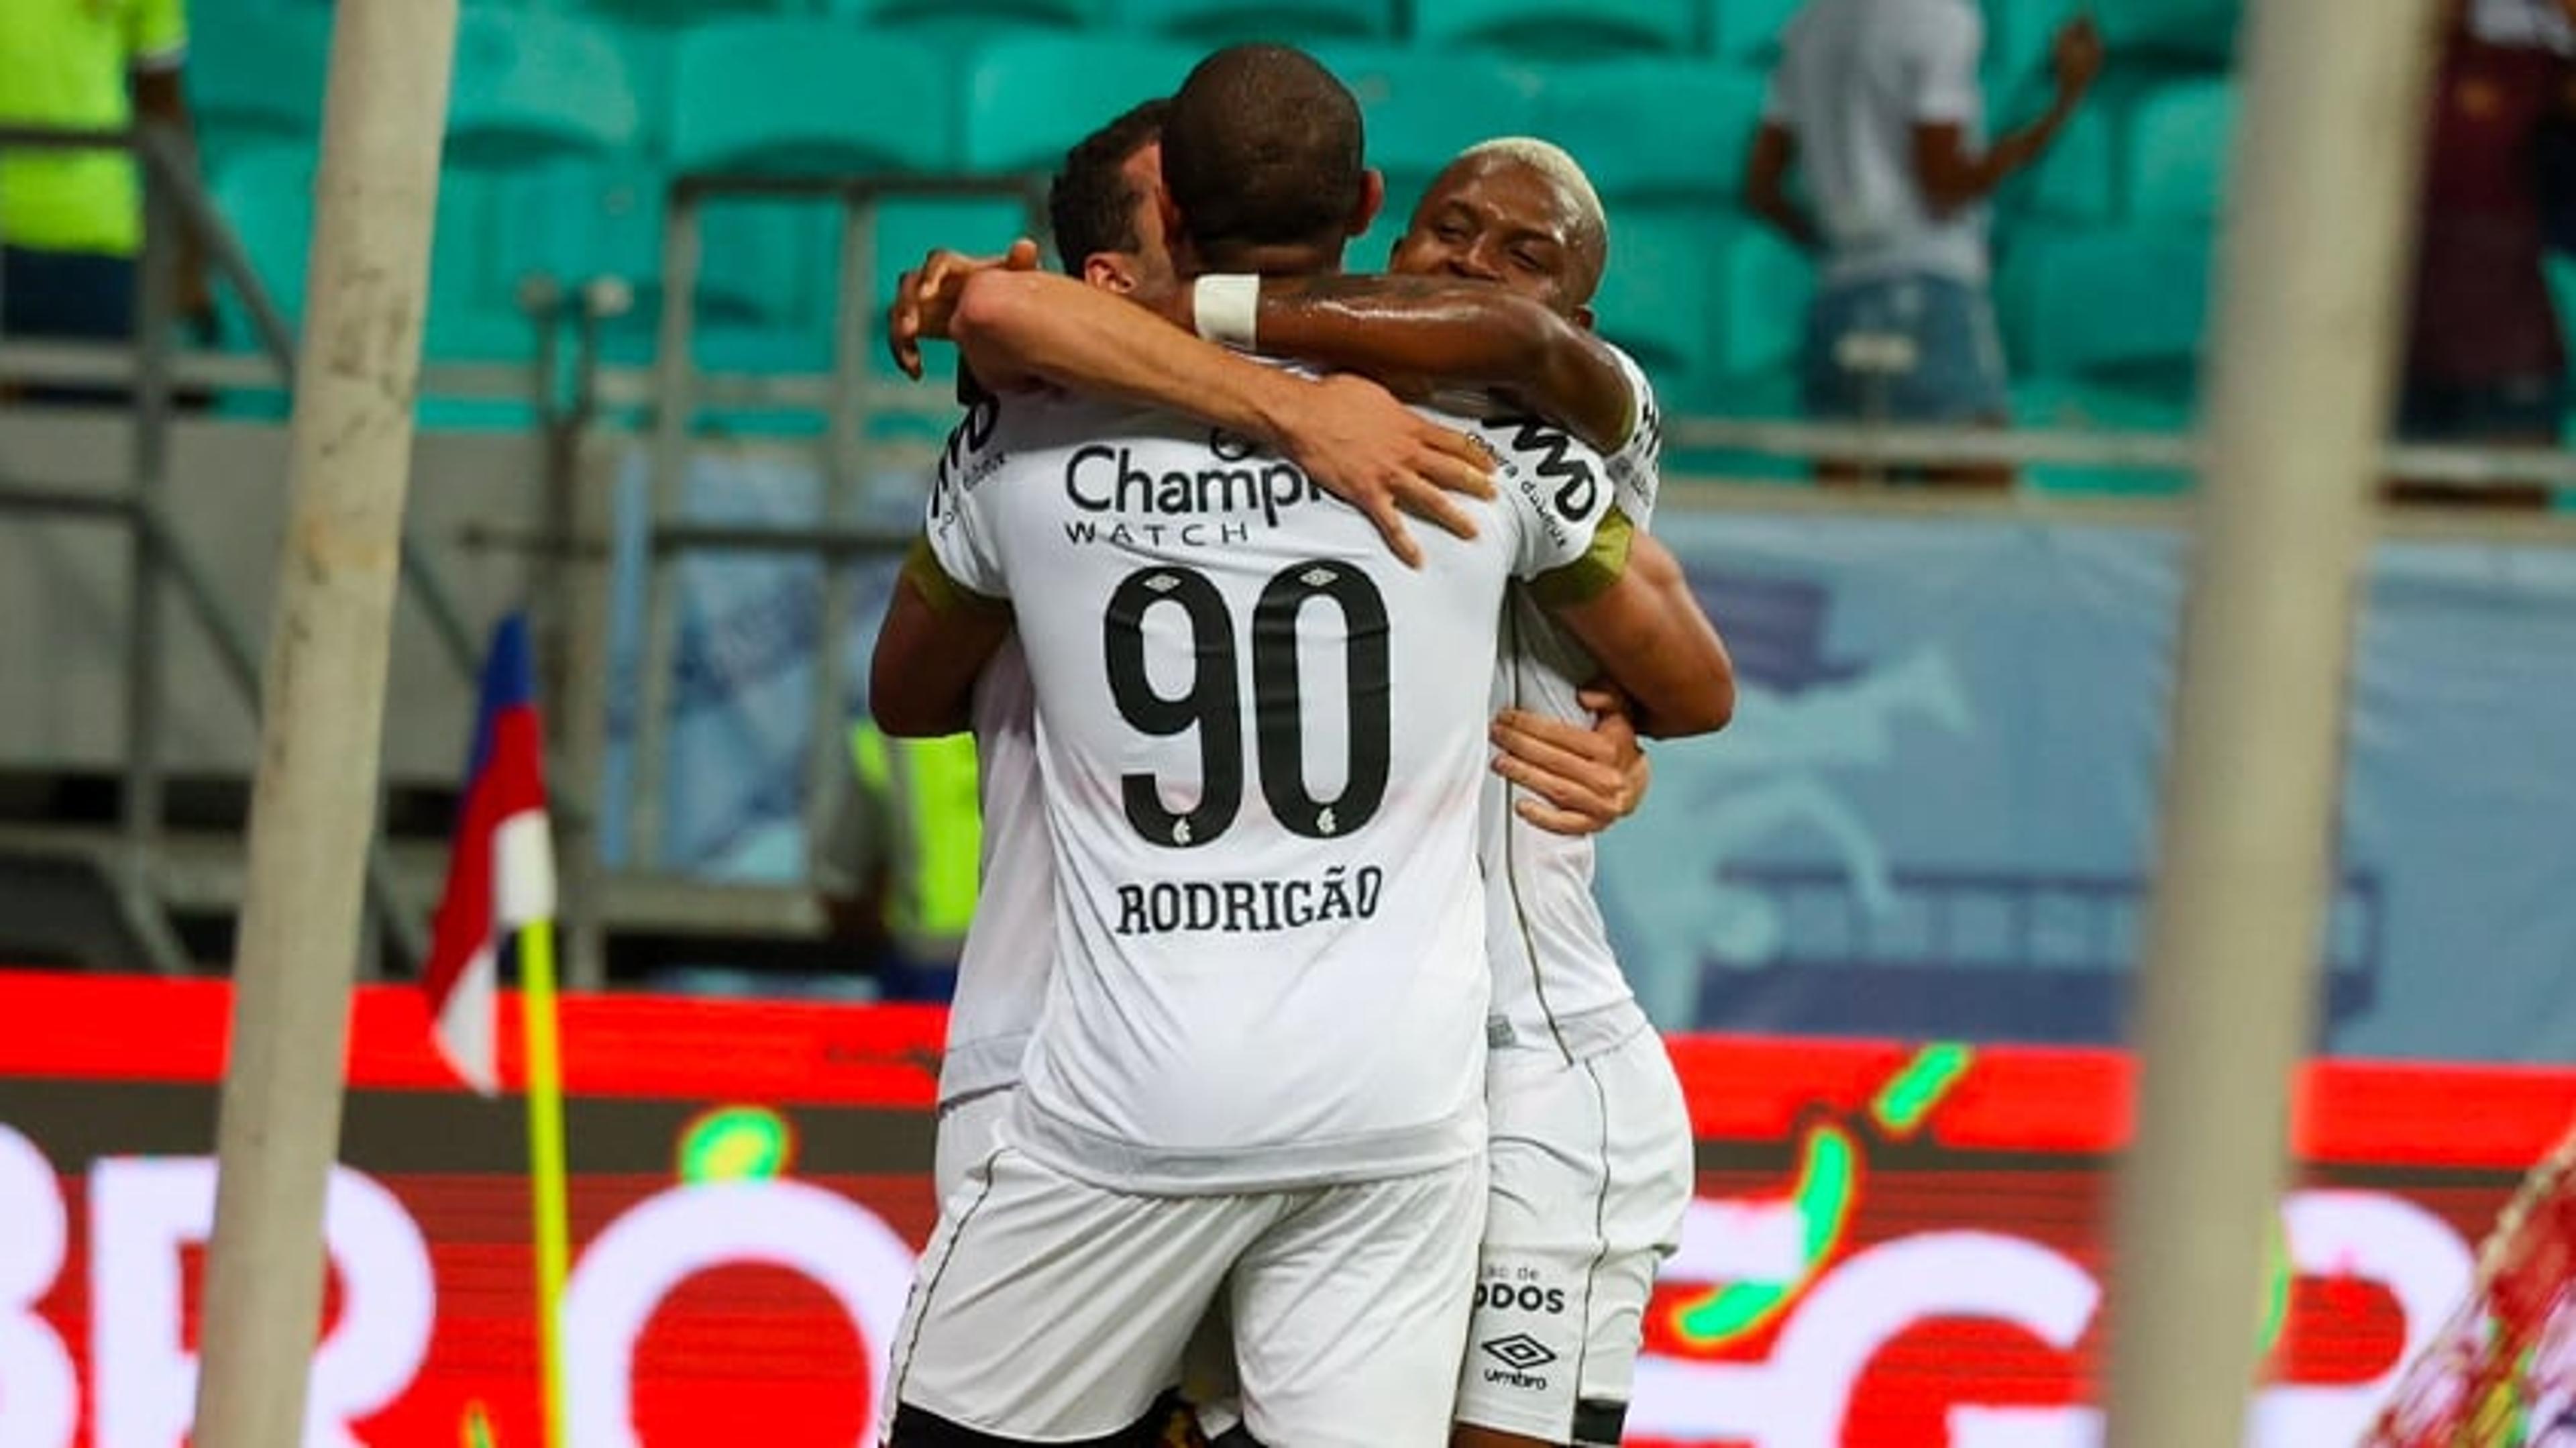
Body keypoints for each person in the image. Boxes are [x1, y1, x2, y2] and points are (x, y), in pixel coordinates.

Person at [871, 43, 1732, 1448]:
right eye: (1454, 231)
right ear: (1379, 220)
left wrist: (1625, 730)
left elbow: (1694, 678)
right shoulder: (1473, 454)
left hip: (1366, 1069)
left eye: (1527, 247)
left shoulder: (1039, 420)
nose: (1477, 265)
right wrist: (1258, 382)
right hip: (1355, 1085)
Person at [1744, 0, 2101, 488]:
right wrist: (2061, 105)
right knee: (1979, 519)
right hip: (1929, 291)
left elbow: (1761, 186)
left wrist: (1836, 245)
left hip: (1838, 298)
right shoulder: (1939, 16)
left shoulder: (1810, 23)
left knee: (1840, 541)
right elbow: (1944, 182)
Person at [2390, 0, 2576, 507]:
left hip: (2508, 371)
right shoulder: (2354, 80)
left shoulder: (2530, 67)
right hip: (2392, 361)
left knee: (2504, 561)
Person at [0, 0, 211, 399]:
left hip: (98, 250)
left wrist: (190, 264)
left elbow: (164, 107)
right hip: (45, 244)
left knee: (89, 451)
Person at [808, 721, 981, 1001]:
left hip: (923, 965)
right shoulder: (1038, 728)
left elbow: (841, 887)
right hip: (1029, 965)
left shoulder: (884, 746)